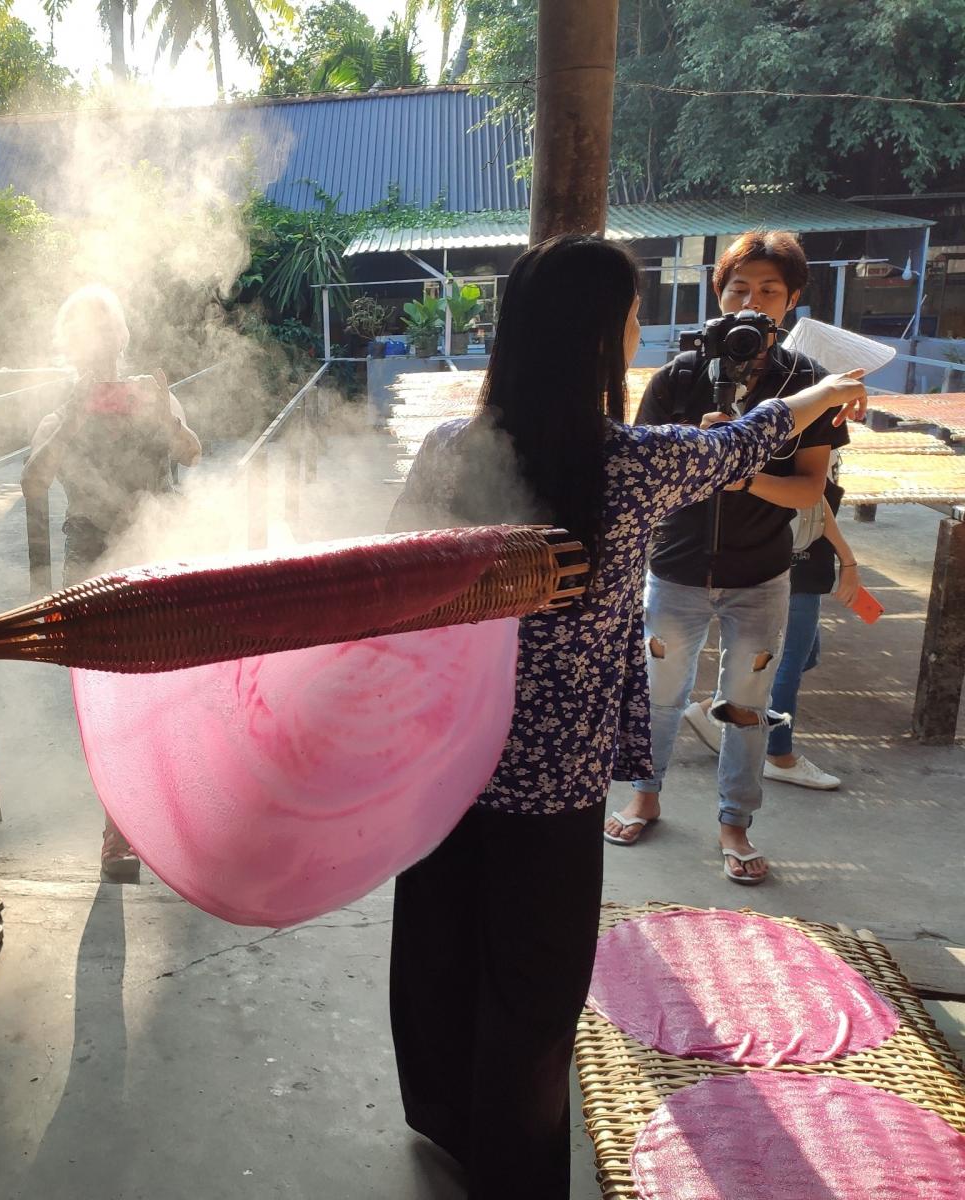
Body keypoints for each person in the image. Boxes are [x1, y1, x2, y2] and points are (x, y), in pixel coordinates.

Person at [387, 234, 866, 1198]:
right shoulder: (636, 462)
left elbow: (394, 568)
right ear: (600, 337)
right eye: (635, 315)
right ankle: (513, 1171)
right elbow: (747, 440)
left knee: (439, 942)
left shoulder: (449, 449)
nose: (643, 329)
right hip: (553, 778)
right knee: (534, 984)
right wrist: (821, 394)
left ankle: (444, 1117)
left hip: (444, 758)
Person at [605, 231, 849, 884]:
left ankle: (734, 822)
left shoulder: (809, 385)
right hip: (677, 567)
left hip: (760, 573)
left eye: (769, 290)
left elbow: (810, 490)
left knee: (746, 706)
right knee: (658, 693)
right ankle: (645, 796)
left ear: (792, 301)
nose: (752, 302)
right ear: (719, 295)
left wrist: (741, 475)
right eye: (739, 288)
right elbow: (641, 473)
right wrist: (697, 451)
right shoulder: (679, 376)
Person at [21, 284, 201, 882]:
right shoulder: (59, 412)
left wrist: (166, 414)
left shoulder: (152, 396)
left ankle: (158, 816)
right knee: (108, 701)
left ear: (122, 339)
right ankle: (120, 829)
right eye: (84, 336)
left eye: (106, 333)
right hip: (92, 563)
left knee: (164, 692)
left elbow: (192, 454)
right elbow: (33, 482)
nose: (98, 347)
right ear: (68, 347)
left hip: (157, 554)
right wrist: (72, 420)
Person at [685, 467, 861, 789]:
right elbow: (812, 496)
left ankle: (717, 707)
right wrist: (848, 559)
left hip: (788, 554)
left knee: (803, 655)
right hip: (795, 558)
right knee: (785, 664)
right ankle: (778, 754)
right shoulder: (804, 435)